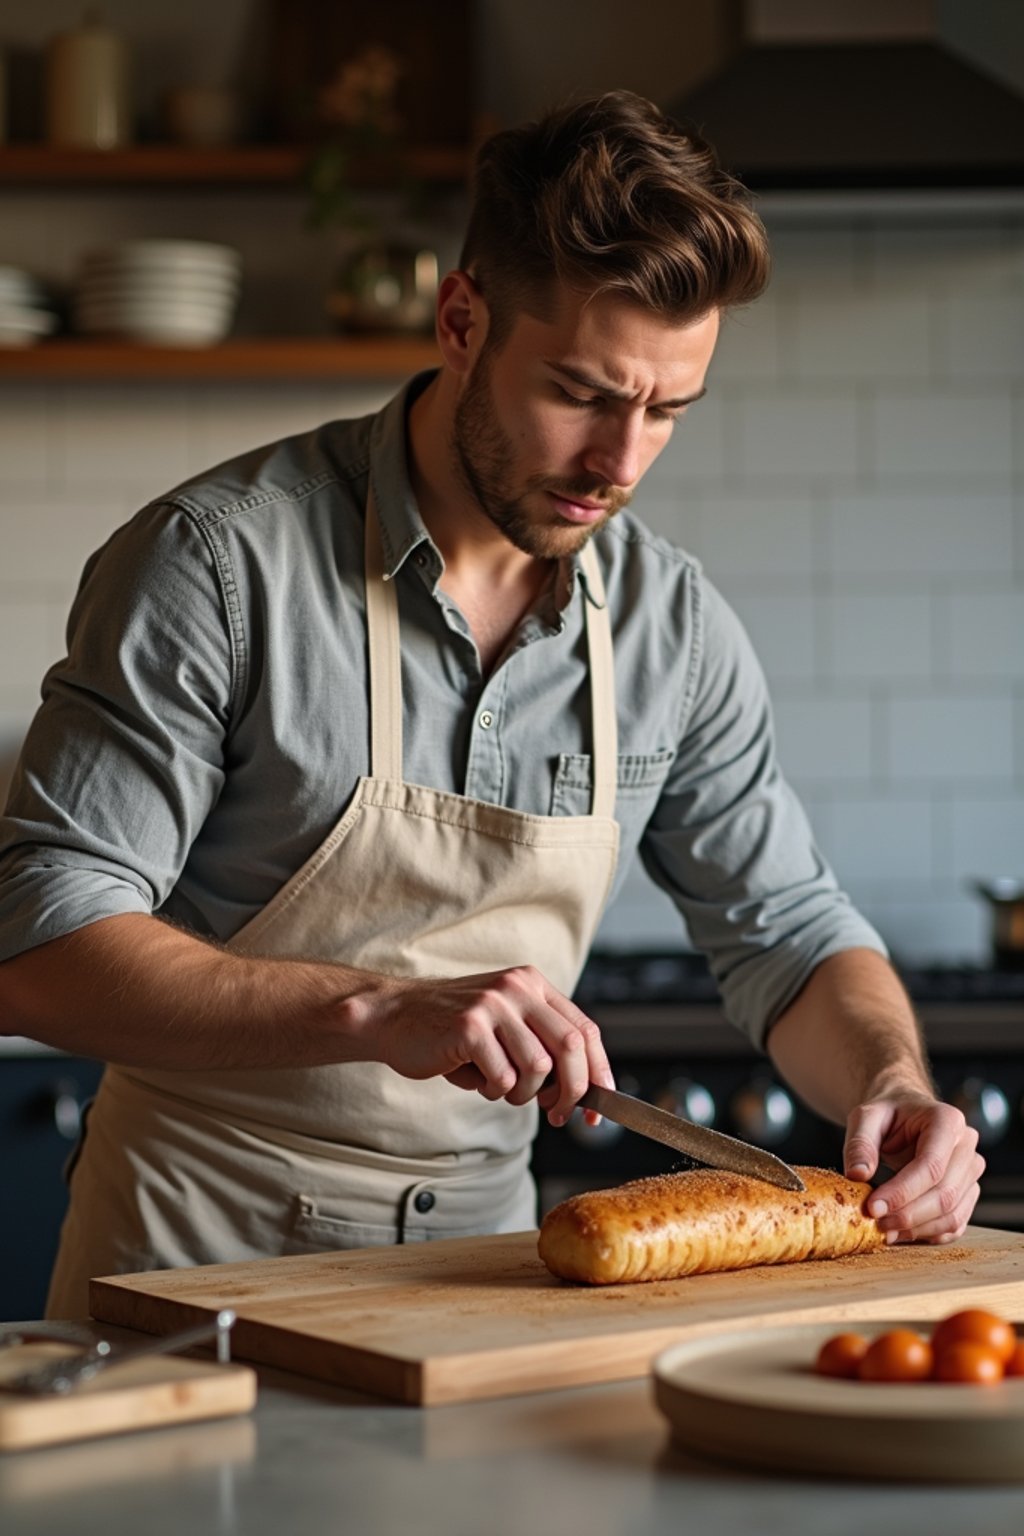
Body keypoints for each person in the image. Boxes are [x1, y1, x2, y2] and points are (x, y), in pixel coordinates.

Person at [0, 92, 982, 1317]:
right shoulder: (217, 565)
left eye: (667, 409)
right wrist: (376, 1007)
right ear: (461, 319)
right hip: (195, 1268)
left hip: (487, 1279)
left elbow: (787, 935)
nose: (619, 463)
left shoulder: (674, 630)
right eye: (580, 392)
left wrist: (888, 1081)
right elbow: (37, 944)